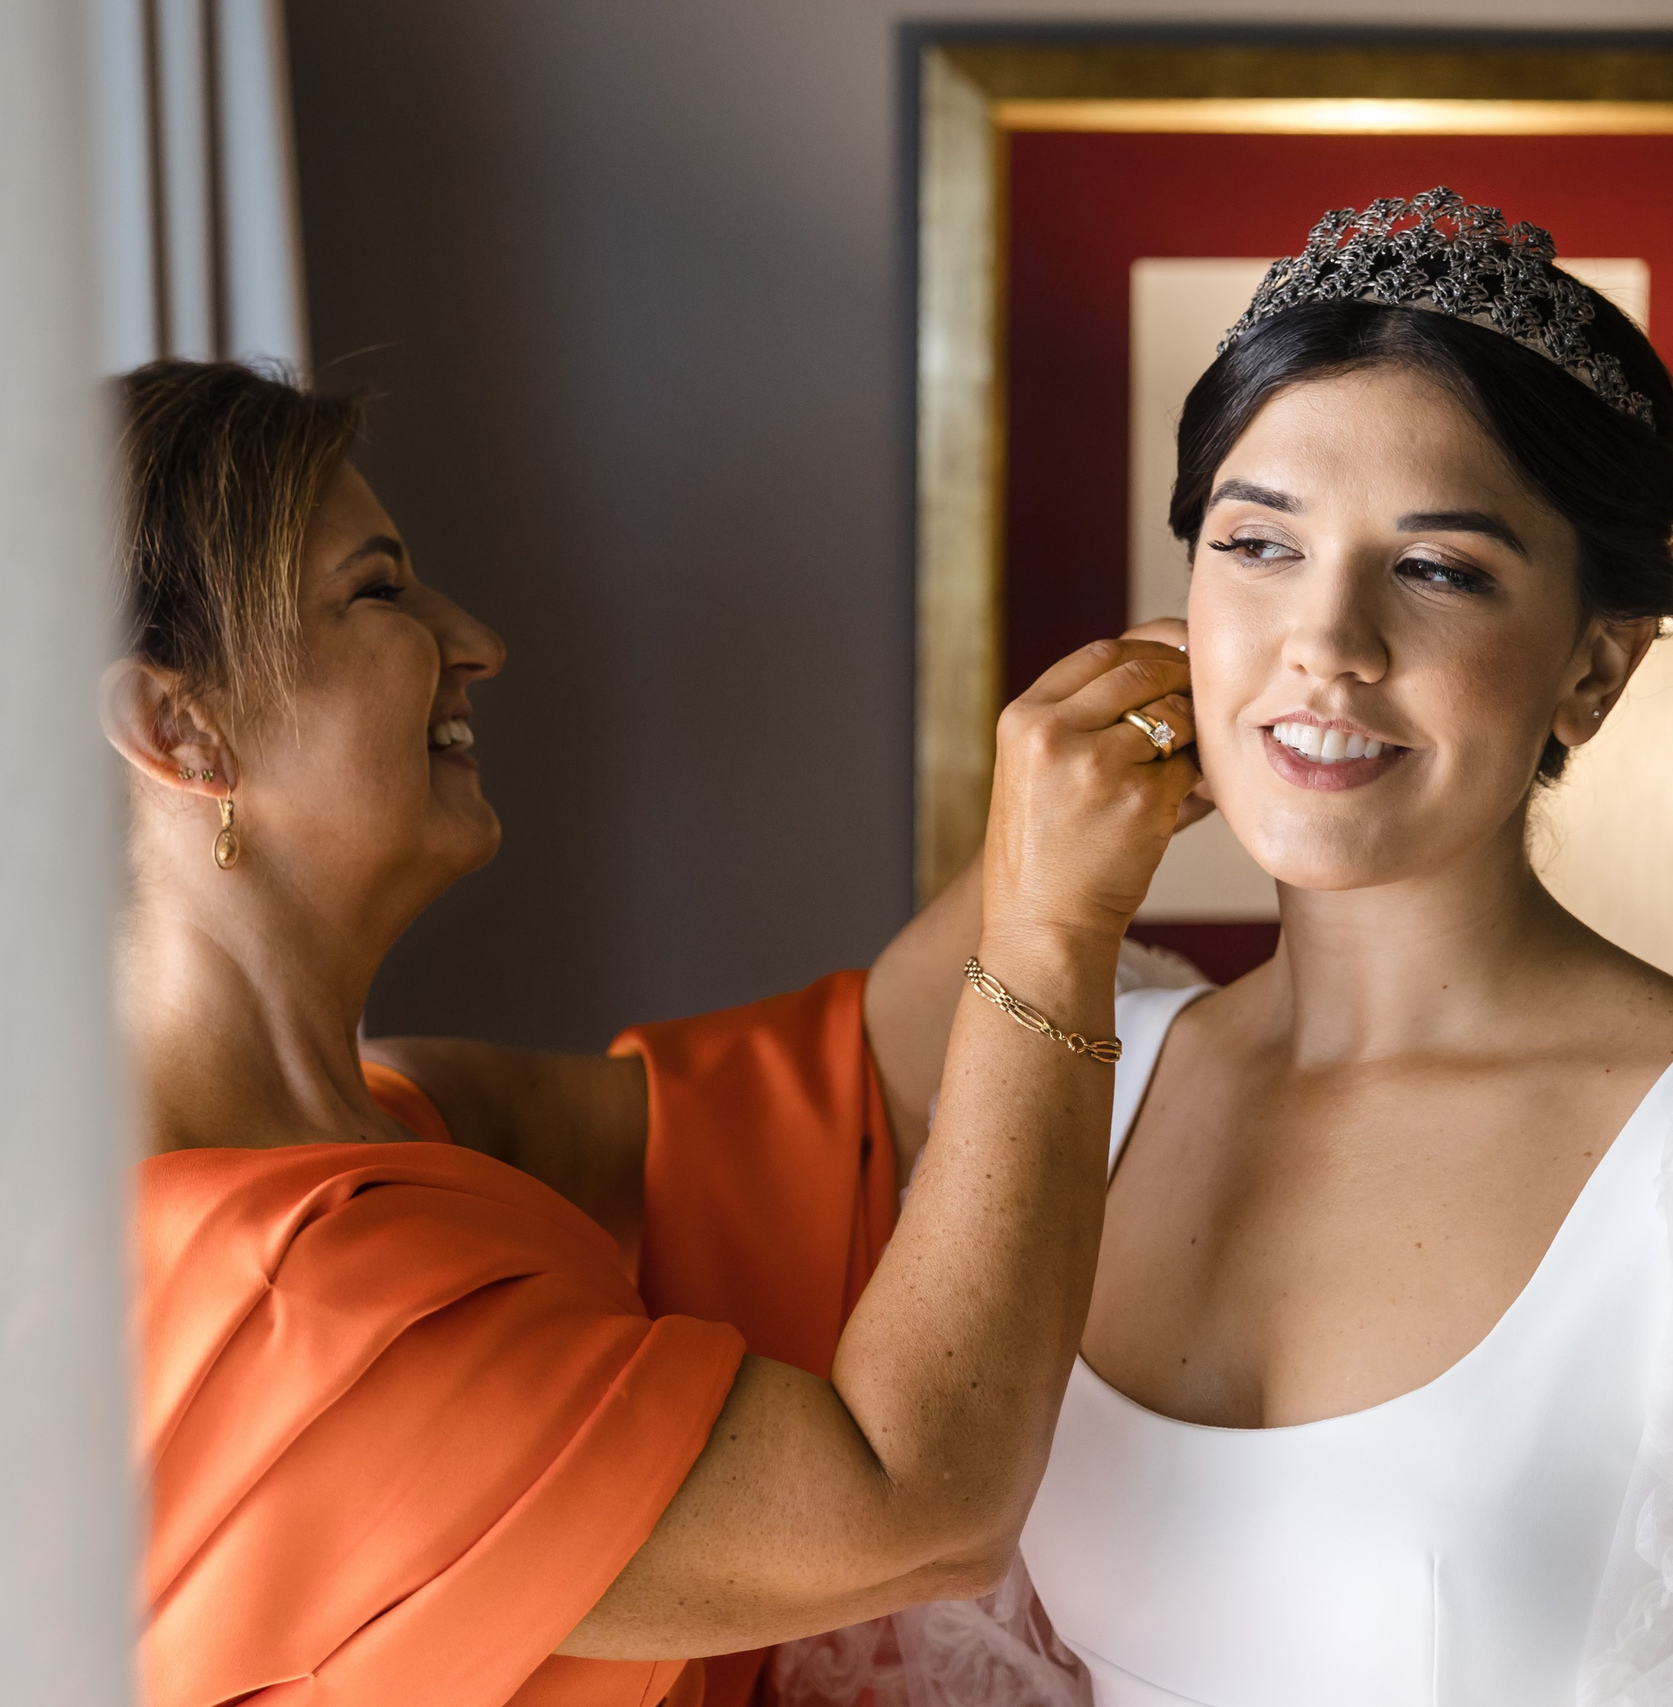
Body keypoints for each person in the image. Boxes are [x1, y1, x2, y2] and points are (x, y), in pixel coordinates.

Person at [776, 189, 1673, 1707]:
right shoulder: (1085, 1067)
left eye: (1439, 569)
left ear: (1593, 670)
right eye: (1258, 545)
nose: (1325, 642)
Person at [113, 356, 1201, 1707]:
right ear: (179, 726)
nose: (476, 642)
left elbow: (840, 1097)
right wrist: (1051, 930)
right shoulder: (293, 1322)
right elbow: (914, 1500)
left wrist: (1115, 740)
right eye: (379, 591)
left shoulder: (397, 1125)